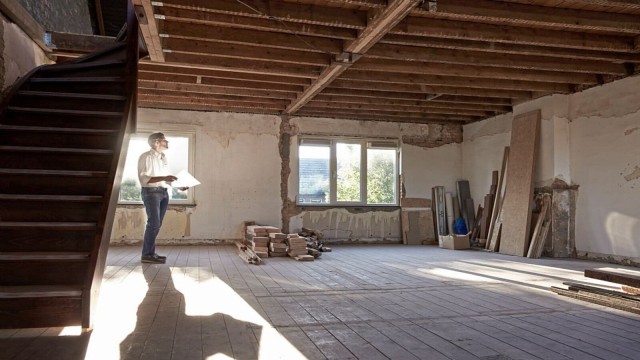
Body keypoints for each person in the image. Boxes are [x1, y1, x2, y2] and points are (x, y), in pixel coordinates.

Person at [137, 132, 187, 264]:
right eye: (165, 140)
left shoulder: (163, 157)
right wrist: (165, 178)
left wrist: (178, 186)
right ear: (156, 142)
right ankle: (147, 255)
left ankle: (150, 253)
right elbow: (144, 179)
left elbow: (164, 179)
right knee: (153, 224)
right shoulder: (145, 156)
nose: (168, 143)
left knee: (157, 224)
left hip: (163, 192)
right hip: (151, 192)